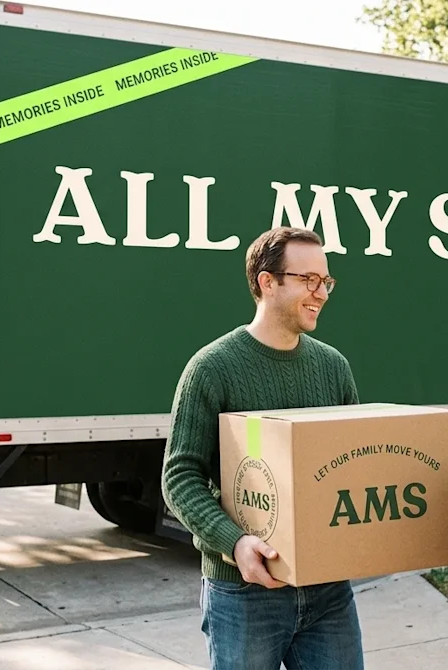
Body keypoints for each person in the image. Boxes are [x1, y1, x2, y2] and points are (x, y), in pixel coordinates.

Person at [161, 227, 363, 670]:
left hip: (328, 590)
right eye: (308, 279)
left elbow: (353, 468)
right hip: (245, 593)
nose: (321, 292)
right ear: (267, 282)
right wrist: (235, 544)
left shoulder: (333, 368)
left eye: (325, 281)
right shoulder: (212, 368)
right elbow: (179, 477)